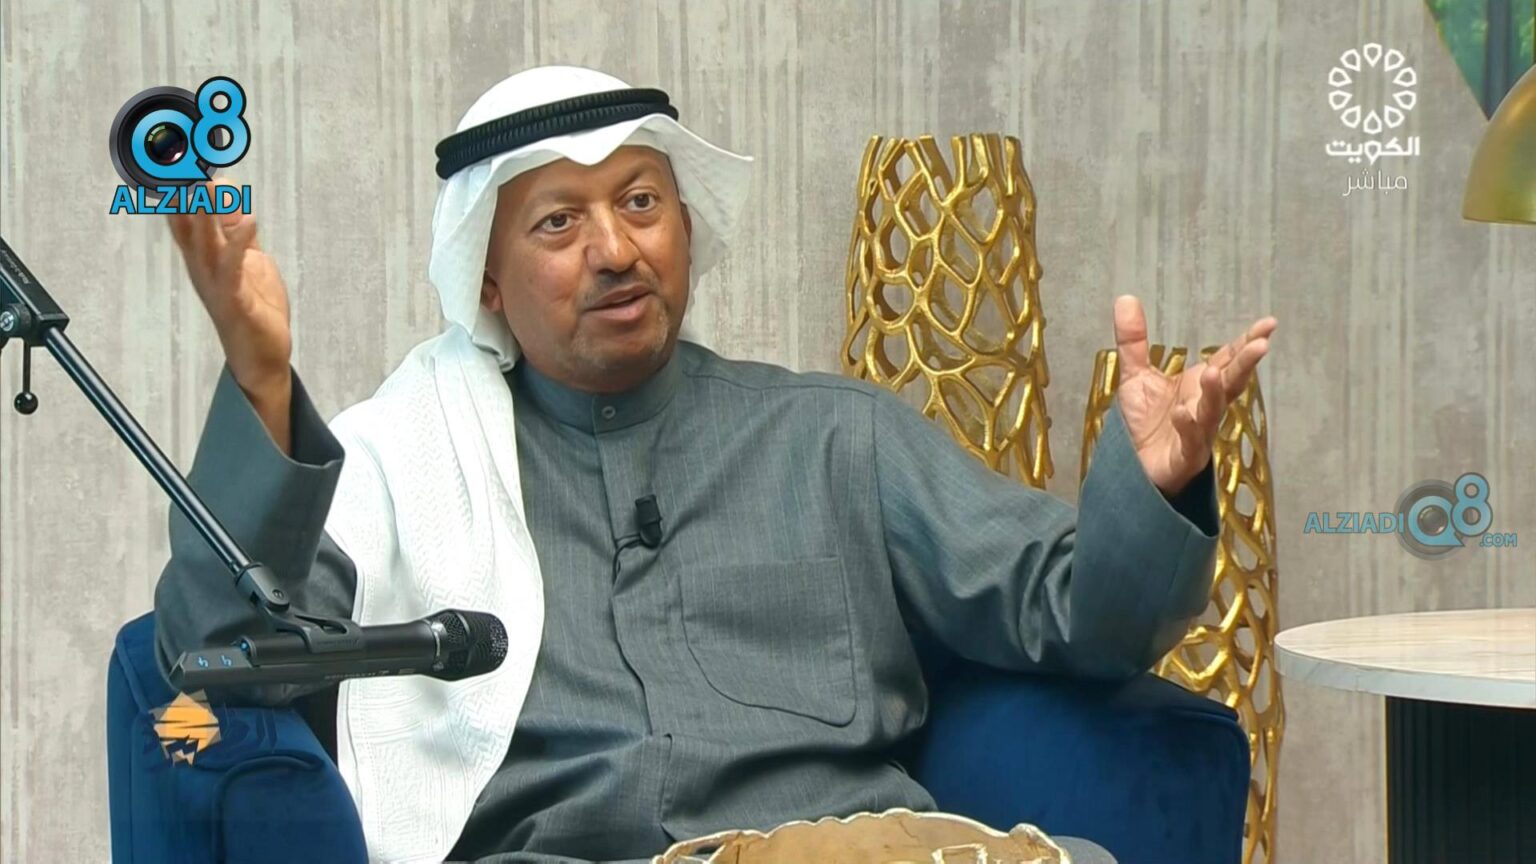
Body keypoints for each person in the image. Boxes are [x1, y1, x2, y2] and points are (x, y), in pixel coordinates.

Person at [153, 65, 1275, 864]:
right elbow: (230, 652)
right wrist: (261, 385)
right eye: (559, 224)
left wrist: (1153, 484)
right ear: (486, 282)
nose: (615, 249)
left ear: (685, 231)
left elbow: (1080, 615)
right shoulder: (412, 462)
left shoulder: (838, 438)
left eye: (642, 203)